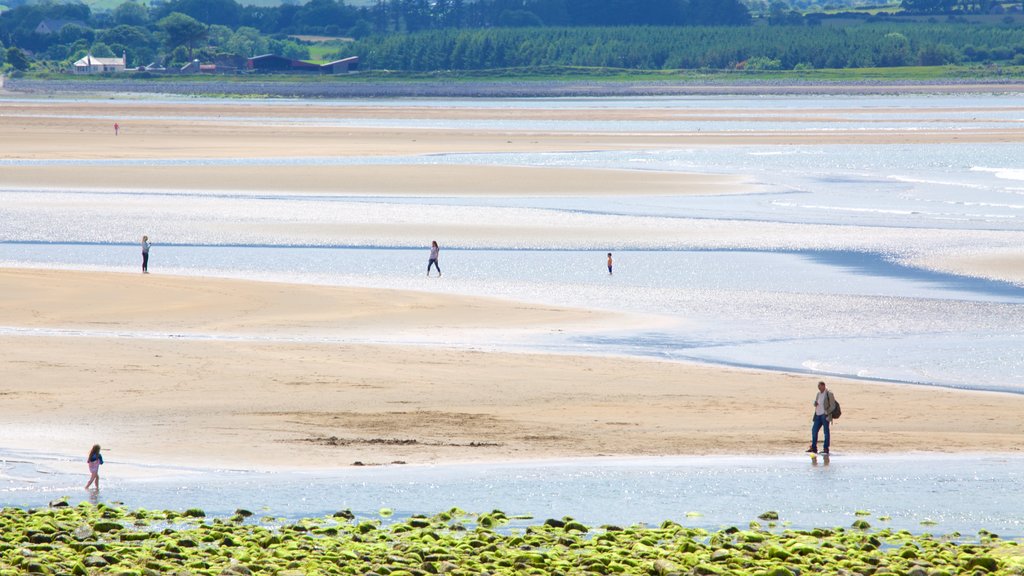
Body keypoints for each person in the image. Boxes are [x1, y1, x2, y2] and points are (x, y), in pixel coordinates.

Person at [806, 380, 837, 454]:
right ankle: (814, 448)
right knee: (814, 430)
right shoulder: (818, 394)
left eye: (819, 387)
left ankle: (826, 448)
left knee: (826, 432)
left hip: (825, 415)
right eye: (818, 387)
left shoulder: (829, 393)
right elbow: (816, 402)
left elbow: (833, 405)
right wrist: (815, 403)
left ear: (823, 386)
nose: (819, 388)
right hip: (817, 415)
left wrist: (827, 412)